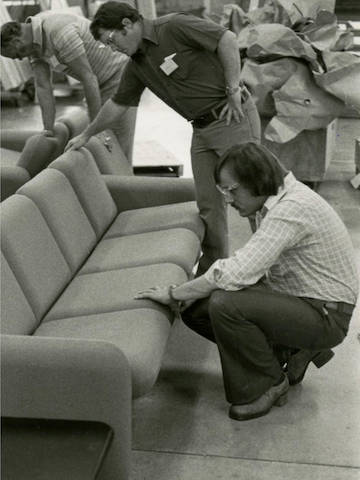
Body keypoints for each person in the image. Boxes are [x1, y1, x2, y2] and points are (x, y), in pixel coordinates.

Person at [135, 142, 359, 421]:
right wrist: (189, 294)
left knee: (224, 304)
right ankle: (287, 353)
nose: (228, 200)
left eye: (232, 190)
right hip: (302, 299)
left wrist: (174, 292)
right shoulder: (274, 201)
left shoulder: (290, 209)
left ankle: (268, 383)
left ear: (258, 180)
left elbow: (237, 271)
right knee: (196, 307)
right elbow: (252, 268)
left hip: (326, 315)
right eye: (223, 191)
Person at [65, 1, 261, 275]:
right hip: (202, 130)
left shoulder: (174, 27)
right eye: (106, 46)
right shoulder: (137, 65)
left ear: (126, 24)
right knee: (208, 207)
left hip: (231, 117)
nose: (113, 48)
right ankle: (213, 275)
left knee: (254, 196)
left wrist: (232, 88)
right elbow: (118, 104)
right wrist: (86, 134)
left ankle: (273, 270)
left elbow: (226, 39)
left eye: (111, 40)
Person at [1, 11, 137, 161]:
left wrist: (92, 130)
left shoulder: (59, 31)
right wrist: (48, 130)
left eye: (15, 56)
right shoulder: (34, 47)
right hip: (98, 81)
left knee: (115, 148)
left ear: (16, 43)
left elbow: (88, 78)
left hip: (118, 75)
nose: (20, 59)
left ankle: (123, 180)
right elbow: (43, 86)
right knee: (102, 147)